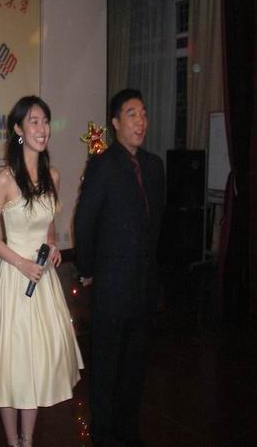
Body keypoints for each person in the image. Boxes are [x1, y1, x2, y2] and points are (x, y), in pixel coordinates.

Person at [0, 96, 84, 447]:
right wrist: (21, 263)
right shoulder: (4, 180)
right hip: (13, 278)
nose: (42, 128)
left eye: (45, 121)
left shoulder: (53, 176)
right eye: (34, 121)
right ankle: (12, 440)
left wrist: (52, 248)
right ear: (18, 129)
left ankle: (27, 440)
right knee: (11, 364)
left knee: (35, 364)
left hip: (42, 281)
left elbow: (49, 228)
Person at [74, 89, 165, 447]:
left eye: (143, 114)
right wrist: (87, 269)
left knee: (136, 363)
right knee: (107, 363)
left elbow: (157, 225)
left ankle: (128, 428)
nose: (140, 121)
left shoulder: (154, 166)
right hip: (112, 284)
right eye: (131, 114)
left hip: (144, 284)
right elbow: (85, 222)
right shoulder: (103, 165)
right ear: (115, 123)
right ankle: (104, 432)